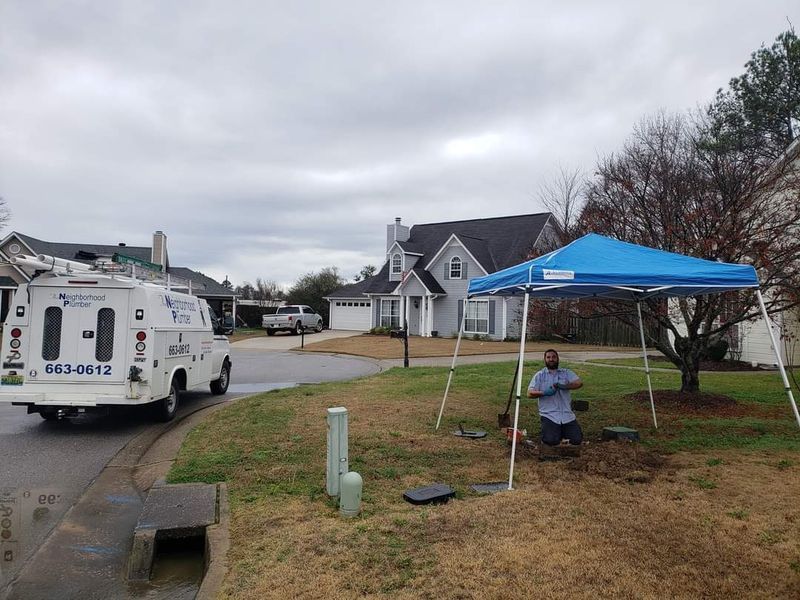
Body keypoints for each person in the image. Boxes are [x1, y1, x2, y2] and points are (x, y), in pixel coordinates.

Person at [527, 349, 584, 446]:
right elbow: (529, 393)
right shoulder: (540, 375)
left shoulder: (566, 373)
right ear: (544, 360)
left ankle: (560, 432)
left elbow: (579, 383)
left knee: (577, 440)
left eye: (554, 357)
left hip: (567, 415)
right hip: (549, 415)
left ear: (558, 359)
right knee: (551, 441)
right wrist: (544, 392)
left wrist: (564, 386)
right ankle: (554, 433)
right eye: (548, 357)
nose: (551, 359)